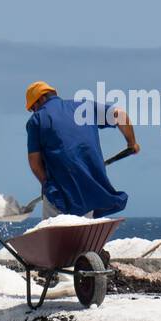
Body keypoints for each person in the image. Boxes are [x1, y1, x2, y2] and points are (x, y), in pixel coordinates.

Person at [24, 81, 138, 219]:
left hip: (61, 192)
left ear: (41, 99)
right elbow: (120, 115)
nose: (34, 111)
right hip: (92, 187)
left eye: (33, 107)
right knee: (82, 228)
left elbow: (34, 161)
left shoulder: (37, 119)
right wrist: (132, 144)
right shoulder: (84, 107)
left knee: (56, 229)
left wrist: (46, 185)